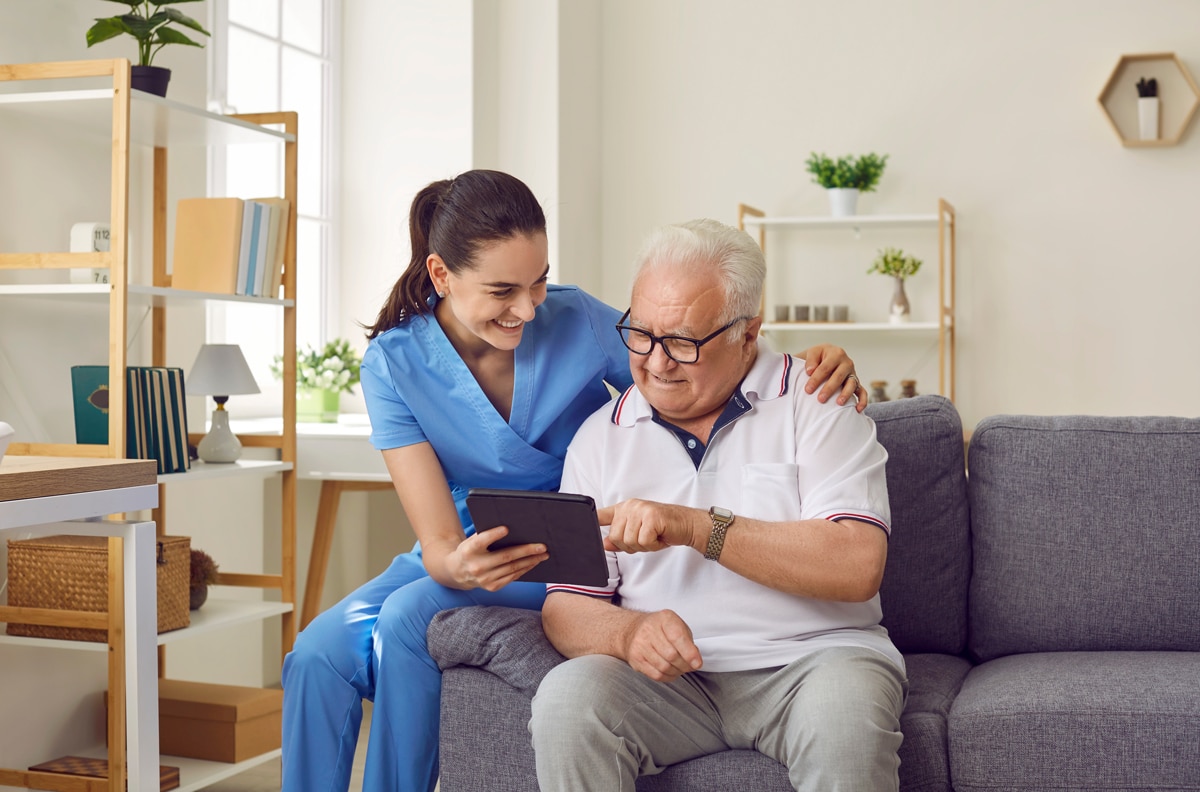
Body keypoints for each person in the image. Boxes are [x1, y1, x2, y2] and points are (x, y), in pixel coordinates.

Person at [280, 171, 867, 792]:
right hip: (471, 547)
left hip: (574, 545)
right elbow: (440, 545)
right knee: (317, 655)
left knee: (405, 618)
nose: (529, 308)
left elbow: (690, 358)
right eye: (504, 289)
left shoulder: (576, 319)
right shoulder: (394, 362)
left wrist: (809, 361)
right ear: (441, 275)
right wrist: (457, 567)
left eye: (538, 281)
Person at [529, 218, 906, 792]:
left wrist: (695, 526)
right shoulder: (599, 438)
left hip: (815, 663)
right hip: (670, 686)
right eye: (641, 334)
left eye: (683, 341)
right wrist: (627, 635)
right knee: (568, 699)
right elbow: (567, 607)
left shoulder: (818, 401)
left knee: (844, 721)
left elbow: (856, 565)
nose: (656, 362)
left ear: (747, 332)